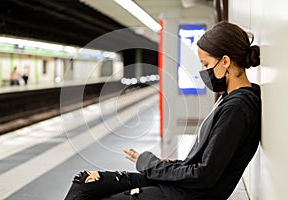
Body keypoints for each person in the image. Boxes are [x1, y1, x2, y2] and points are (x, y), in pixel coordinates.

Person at [64, 21, 261, 200]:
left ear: (225, 61)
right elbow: (202, 165)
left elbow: (204, 176)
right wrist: (162, 165)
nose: (203, 71)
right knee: (84, 182)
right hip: (183, 185)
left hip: (190, 194)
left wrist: (151, 164)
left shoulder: (237, 108)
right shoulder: (231, 98)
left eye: (206, 64)